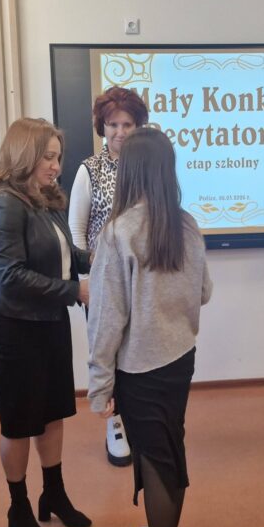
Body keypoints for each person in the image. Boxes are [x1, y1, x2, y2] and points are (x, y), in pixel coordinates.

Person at [87, 127, 212, 527]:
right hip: (180, 358)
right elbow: (204, 291)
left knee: (156, 459)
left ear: (130, 172)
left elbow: (106, 319)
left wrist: (99, 385)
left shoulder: (119, 231)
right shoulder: (187, 224)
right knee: (166, 449)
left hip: (139, 367)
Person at [0, 117, 92, 527]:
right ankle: (18, 507)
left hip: (48, 319)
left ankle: (54, 494)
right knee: (21, 421)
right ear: (24, 155)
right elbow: (10, 276)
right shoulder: (2, 206)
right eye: (47, 157)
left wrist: (103, 255)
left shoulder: (45, 200)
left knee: (53, 410)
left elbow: (64, 256)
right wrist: (75, 291)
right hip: (12, 326)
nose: (56, 166)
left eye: (58, 157)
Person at [68, 86, 149, 467]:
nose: (120, 132)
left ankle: (136, 418)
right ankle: (114, 425)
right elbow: (76, 228)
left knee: (137, 349)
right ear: (102, 126)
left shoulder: (148, 168)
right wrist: (87, 273)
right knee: (107, 350)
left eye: (127, 124)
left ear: (138, 126)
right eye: (113, 124)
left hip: (143, 277)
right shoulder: (89, 169)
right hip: (102, 279)